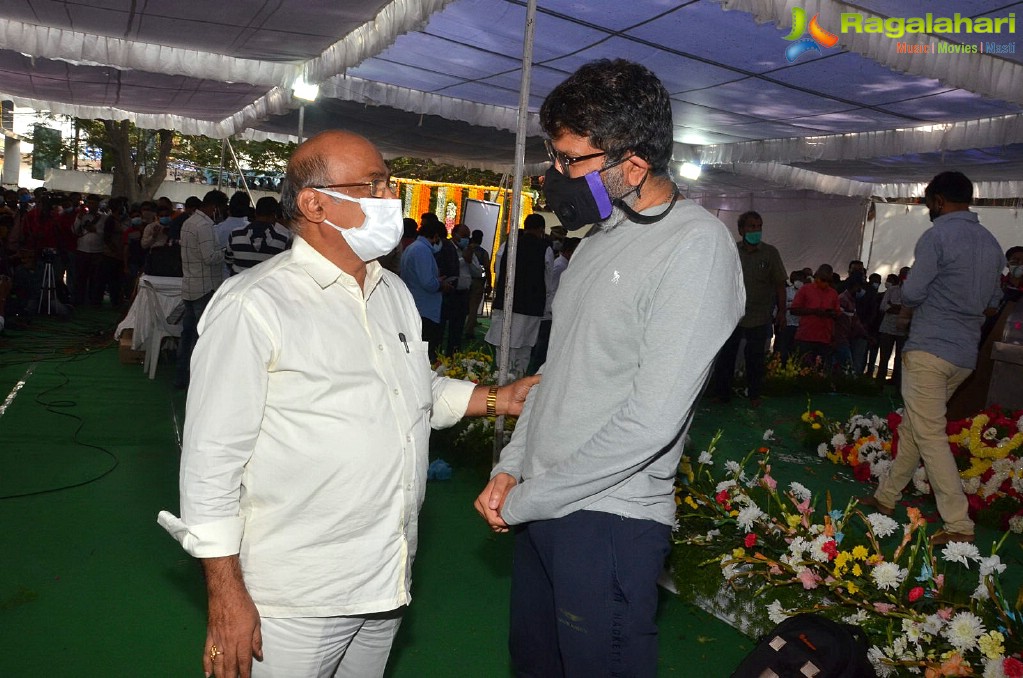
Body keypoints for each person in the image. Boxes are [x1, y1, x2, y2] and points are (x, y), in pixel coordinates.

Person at [157, 130, 538, 678]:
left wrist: (497, 398)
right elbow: (210, 462)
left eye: (390, 184)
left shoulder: (393, 293)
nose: (392, 199)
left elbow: (411, 391)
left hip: (385, 572)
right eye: (374, 185)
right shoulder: (255, 306)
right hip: (296, 592)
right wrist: (225, 595)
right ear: (314, 203)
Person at [474, 59, 743, 677]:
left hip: (608, 518)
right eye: (556, 155)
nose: (557, 174)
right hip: (545, 501)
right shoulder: (599, 236)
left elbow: (651, 422)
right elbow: (557, 373)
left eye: (573, 159)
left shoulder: (695, 248)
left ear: (635, 163)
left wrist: (529, 497)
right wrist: (512, 468)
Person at [862, 171, 1004, 545]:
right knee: (915, 427)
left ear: (939, 200)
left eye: (928, 204)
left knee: (929, 434)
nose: (928, 211)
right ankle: (886, 496)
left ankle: (959, 524)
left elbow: (912, 293)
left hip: (929, 349)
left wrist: (918, 298)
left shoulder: (937, 236)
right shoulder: (991, 244)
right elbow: (993, 304)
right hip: (964, 356)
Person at [709, 211, 786, 407]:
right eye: (751, 226)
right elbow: (721, 281)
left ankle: (754, 395)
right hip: (732, 315)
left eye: (758, 226)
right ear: (741, 230)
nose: (755, 230)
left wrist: (782, 312)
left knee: (755, 359)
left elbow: (779, 284)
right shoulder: (731, 251)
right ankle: (722, 394)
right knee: (726, 357)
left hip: (759, 316)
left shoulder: (770, 253)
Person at [175, 190, 228, 390]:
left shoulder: (189, 222)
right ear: (214, 207)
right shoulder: (205, 226)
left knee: (187, 335)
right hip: (205, 287)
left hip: (190, 284)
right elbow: (209, 257)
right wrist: (227, 250)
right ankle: (196, 381)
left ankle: (181, 377)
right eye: (221, 209)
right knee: (200, 338)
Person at [485, 213, 549, 375]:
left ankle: (501, 376)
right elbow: (549, 282)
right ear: (541, 229)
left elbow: (498, 272)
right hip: (531, 306)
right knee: (524, 348)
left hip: (506, 303)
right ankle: (517, 379)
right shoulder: (545, 249)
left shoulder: (507, 245)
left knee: (503, 345)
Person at [400, 218, 448, 361]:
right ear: (435, 236)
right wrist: (440, 284)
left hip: (417, 303)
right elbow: (428, 282)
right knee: (425, 352)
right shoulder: (422, 250)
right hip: (424, 307)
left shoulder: (415, 248)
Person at [224, 196, 292, 275]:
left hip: (238, 284)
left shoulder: (235, 234)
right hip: (266, 286)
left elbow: (228, 261)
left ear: (255, 213)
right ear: (274, 215)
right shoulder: (283, 239)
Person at [790, 264, 841, 367]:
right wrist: (813, 311)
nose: (823, 282)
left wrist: (830, 314)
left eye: (827, 280)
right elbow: (794, 310)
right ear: (816, 275)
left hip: (824, 338)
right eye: (822, 278)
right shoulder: (805, 289)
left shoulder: (833, 293)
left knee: (819, 372)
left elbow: (837, 314)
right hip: (805, 337)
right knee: (801, 368)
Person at [463, 228, 491, 341]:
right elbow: (487, 269)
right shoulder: (483, 252)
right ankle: (469, 330)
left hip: (464, 280)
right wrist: (489, 284)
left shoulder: (465, 249)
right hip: (478, 282)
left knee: (463, 306)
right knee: (473, 308)